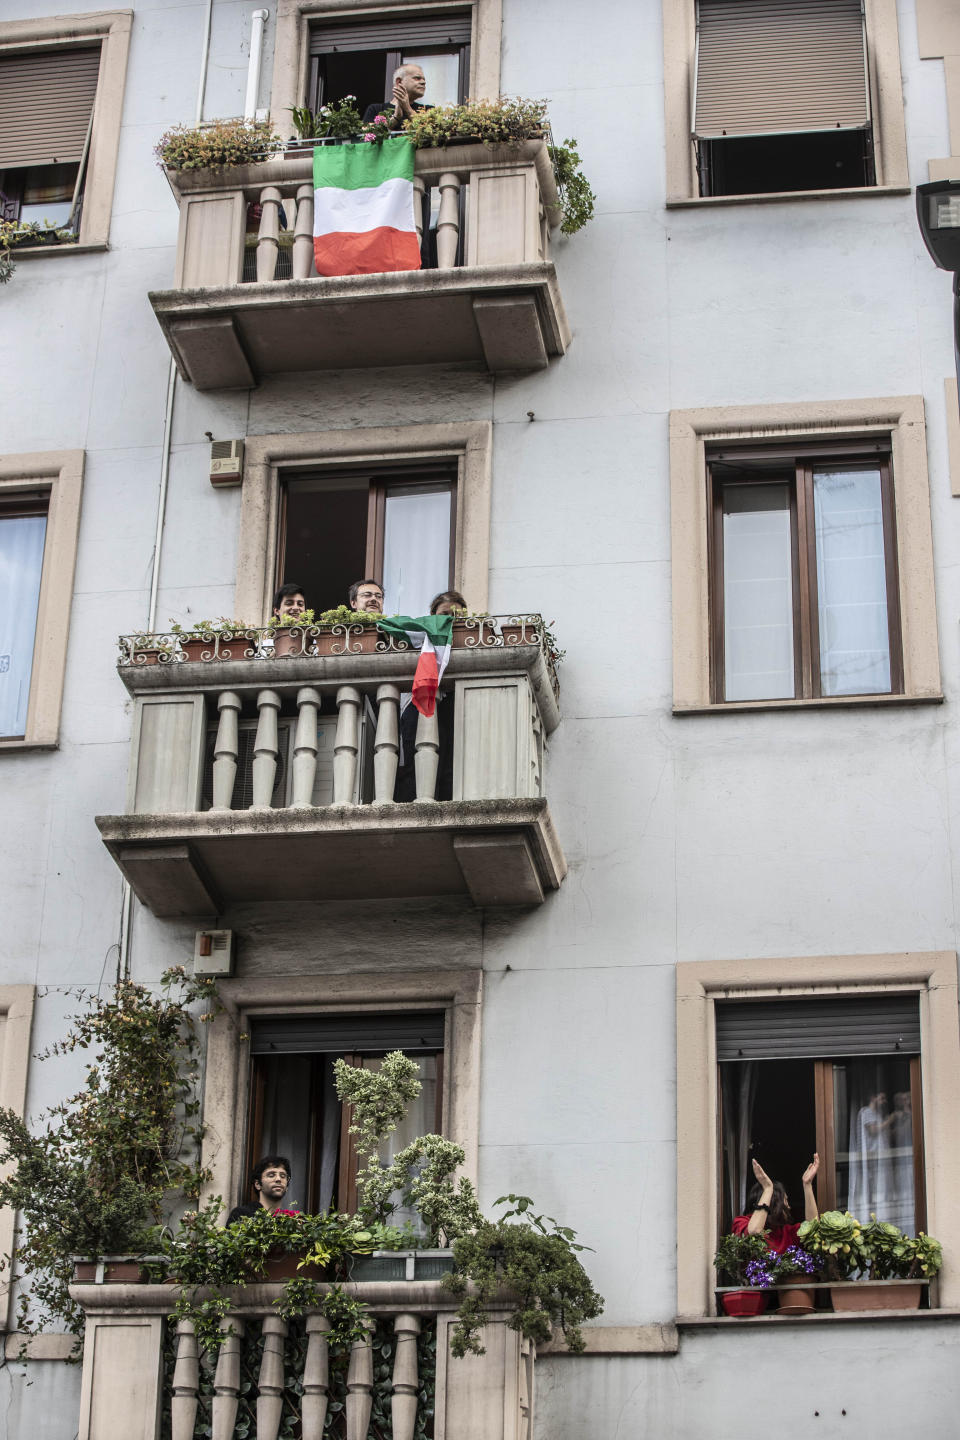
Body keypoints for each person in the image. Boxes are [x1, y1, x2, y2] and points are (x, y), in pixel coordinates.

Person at [731, 1154, 820, 1255]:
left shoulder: (787, 1232)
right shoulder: (741, 1222)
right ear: (774, 1203)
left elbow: (813, 1232)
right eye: (785, 1201)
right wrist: (768, 1189)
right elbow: (754, 1232)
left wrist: (807, 1185)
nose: (789, 1207)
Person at [226, 1154, 296, 1225]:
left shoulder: (291, 1222)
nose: (278, 1179)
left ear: (287, 1187)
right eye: (271, 1175)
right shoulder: (242, 1215)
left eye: (283, 1176)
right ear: (258, 1184)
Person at [361, 63, 430, 127]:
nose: (423, 82)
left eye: (424, 79)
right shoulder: (376, 109)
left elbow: (430, 131)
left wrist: (408, 109)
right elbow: (367, 133)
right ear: (399, 81)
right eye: (417, 78)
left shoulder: (428, 110)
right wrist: (395, 118)